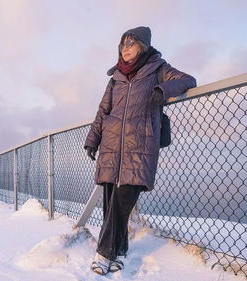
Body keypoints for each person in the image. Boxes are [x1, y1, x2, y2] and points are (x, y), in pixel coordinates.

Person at [84, 26, 196, 275]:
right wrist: (93, 140)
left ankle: (103, 254)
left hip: (139, 148)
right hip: (111, 147)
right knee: (111, 202)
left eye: (131, 42)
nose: (125, 47)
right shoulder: (116, 79)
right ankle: (118, 253)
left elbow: (188, 80)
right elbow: (103, 111)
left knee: (122, 203)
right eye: (122, 43)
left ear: (142, 46)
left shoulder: (157, 68)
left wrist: (162, 90)